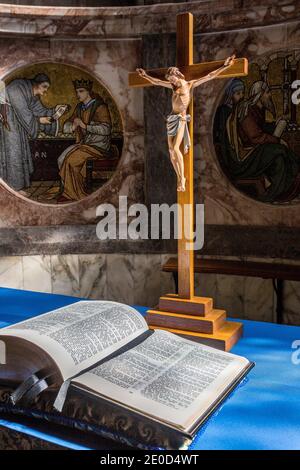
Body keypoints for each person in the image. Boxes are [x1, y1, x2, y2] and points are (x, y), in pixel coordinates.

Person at [137, 54, 235, 191]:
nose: (173, 82)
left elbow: (210, 76)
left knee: (176, 148)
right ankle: (179, 176)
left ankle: (182, 179)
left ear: (179, 76)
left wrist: (224, 66)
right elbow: (157, 82)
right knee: (171, 150)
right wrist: (145, 76)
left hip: (181, 119)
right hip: (171, 118)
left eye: (173, 79)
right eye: (171, 80)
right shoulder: (172, 86)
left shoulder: (189, 84)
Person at [0, 73, 63, 191]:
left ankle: (17, 187)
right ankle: (14, 188)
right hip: (8, 122)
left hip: (17, 124)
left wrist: (55, 111)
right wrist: (39, 120)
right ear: (36, 84)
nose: (45, 90)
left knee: (19, 152)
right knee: (14, 153)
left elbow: (39, 110)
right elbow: (24, 113)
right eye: (44, 87)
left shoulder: (32, 93)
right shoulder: (17, 88)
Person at [57, 79, 112, 202]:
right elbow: (67, 125)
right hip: (85, 144)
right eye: (77, 91)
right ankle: (70, 190)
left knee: (71, 161)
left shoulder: (99, 107)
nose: (78, 94)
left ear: (89, 92)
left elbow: (106, 130)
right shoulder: (79, 107)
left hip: (98, 146)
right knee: (61, 159)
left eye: (81, 91)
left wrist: (85, 126)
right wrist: (72, 126)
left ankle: (74, 194)